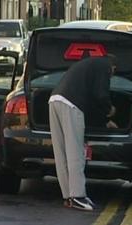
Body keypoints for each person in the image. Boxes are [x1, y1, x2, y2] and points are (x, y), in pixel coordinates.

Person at [49, 56, 117, 211]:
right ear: (113, 67)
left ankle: (67, 196)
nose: (111, 76)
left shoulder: (88, 66)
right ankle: (78, 196)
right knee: (75, 152)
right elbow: (100, 95)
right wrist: (109, 110)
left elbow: (91, 100)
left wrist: (103, 122)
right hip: (71, 104)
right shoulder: (105, 66)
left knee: (61, 152)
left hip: (54, 99)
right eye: (113, 73)